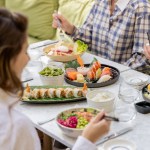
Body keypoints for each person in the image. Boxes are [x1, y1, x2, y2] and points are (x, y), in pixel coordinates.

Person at [0, 8, 110, 150]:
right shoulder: (15, 128)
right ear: (10, 58)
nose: (28, 58)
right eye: (25, 50)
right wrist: (87, 141)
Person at [52, 0, 150, 69]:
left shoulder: (141, 7)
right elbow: (89, 38)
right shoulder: (100, 2)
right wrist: (70, 28)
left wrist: (111, 72)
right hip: (95, 74)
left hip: (123, 81)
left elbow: (141, 59)